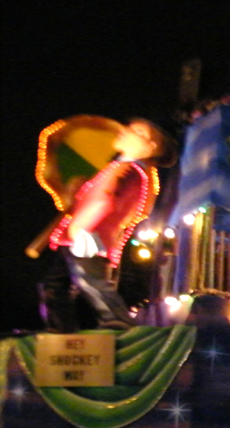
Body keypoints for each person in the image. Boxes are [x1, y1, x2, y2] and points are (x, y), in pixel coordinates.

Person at [40, 118, 177, 331]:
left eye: (137, 131)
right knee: (54, 286)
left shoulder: (127, 170)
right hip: (83, 234)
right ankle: (60, 331)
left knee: (89, 280)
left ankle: (118, 320)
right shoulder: (121, 168)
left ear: (151, 147)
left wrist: (81, 226)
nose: (126, 131)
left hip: (87, 235)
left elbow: (104, 199)